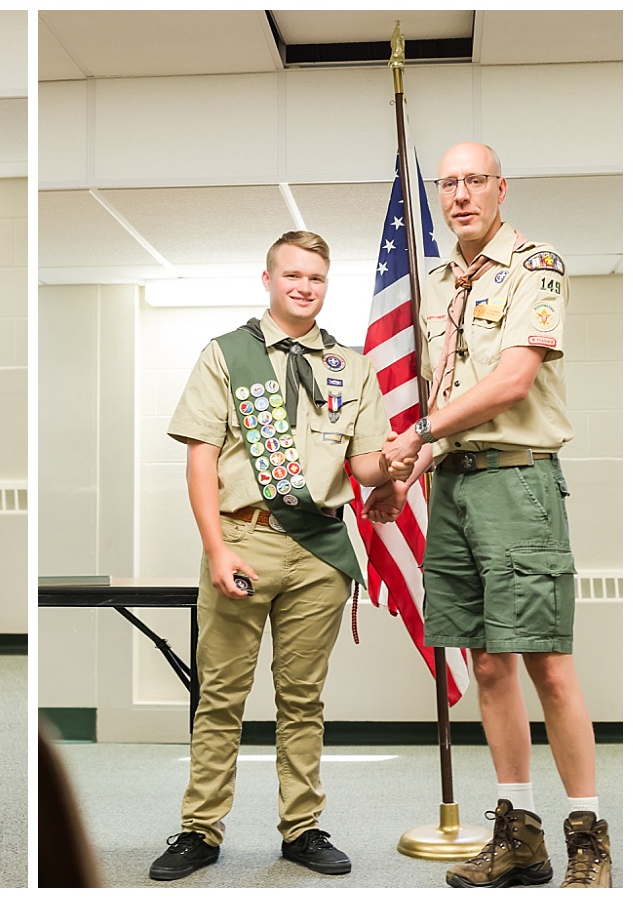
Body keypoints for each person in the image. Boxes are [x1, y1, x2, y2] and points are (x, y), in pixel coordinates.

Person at [379, 142, 611, 889]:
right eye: (448, 183)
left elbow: (511, 382)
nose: (460, 195)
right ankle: (520, 836)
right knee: (485, 663)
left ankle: (588, 841)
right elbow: (448, 398)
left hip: (517, 483)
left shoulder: (535, 267)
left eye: (474, 180)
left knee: (548, 663)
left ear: (500, 189)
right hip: (454, 483)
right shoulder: (437, 285)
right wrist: (409, 473)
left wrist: (416, 434)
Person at [150, 230, 408, 882]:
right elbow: (201, 459)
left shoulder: (352, 367)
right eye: (292, 275)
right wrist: (215, 548)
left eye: (315, 277)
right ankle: (199, 830)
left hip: (319, 552)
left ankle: (302, 829)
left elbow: (365, 463)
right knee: (220, 697)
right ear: (267, 280)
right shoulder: (227, 355)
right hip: (243, 541)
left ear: (326, 285)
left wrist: (398, 466)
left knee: (303, 701)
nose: (304, 286)